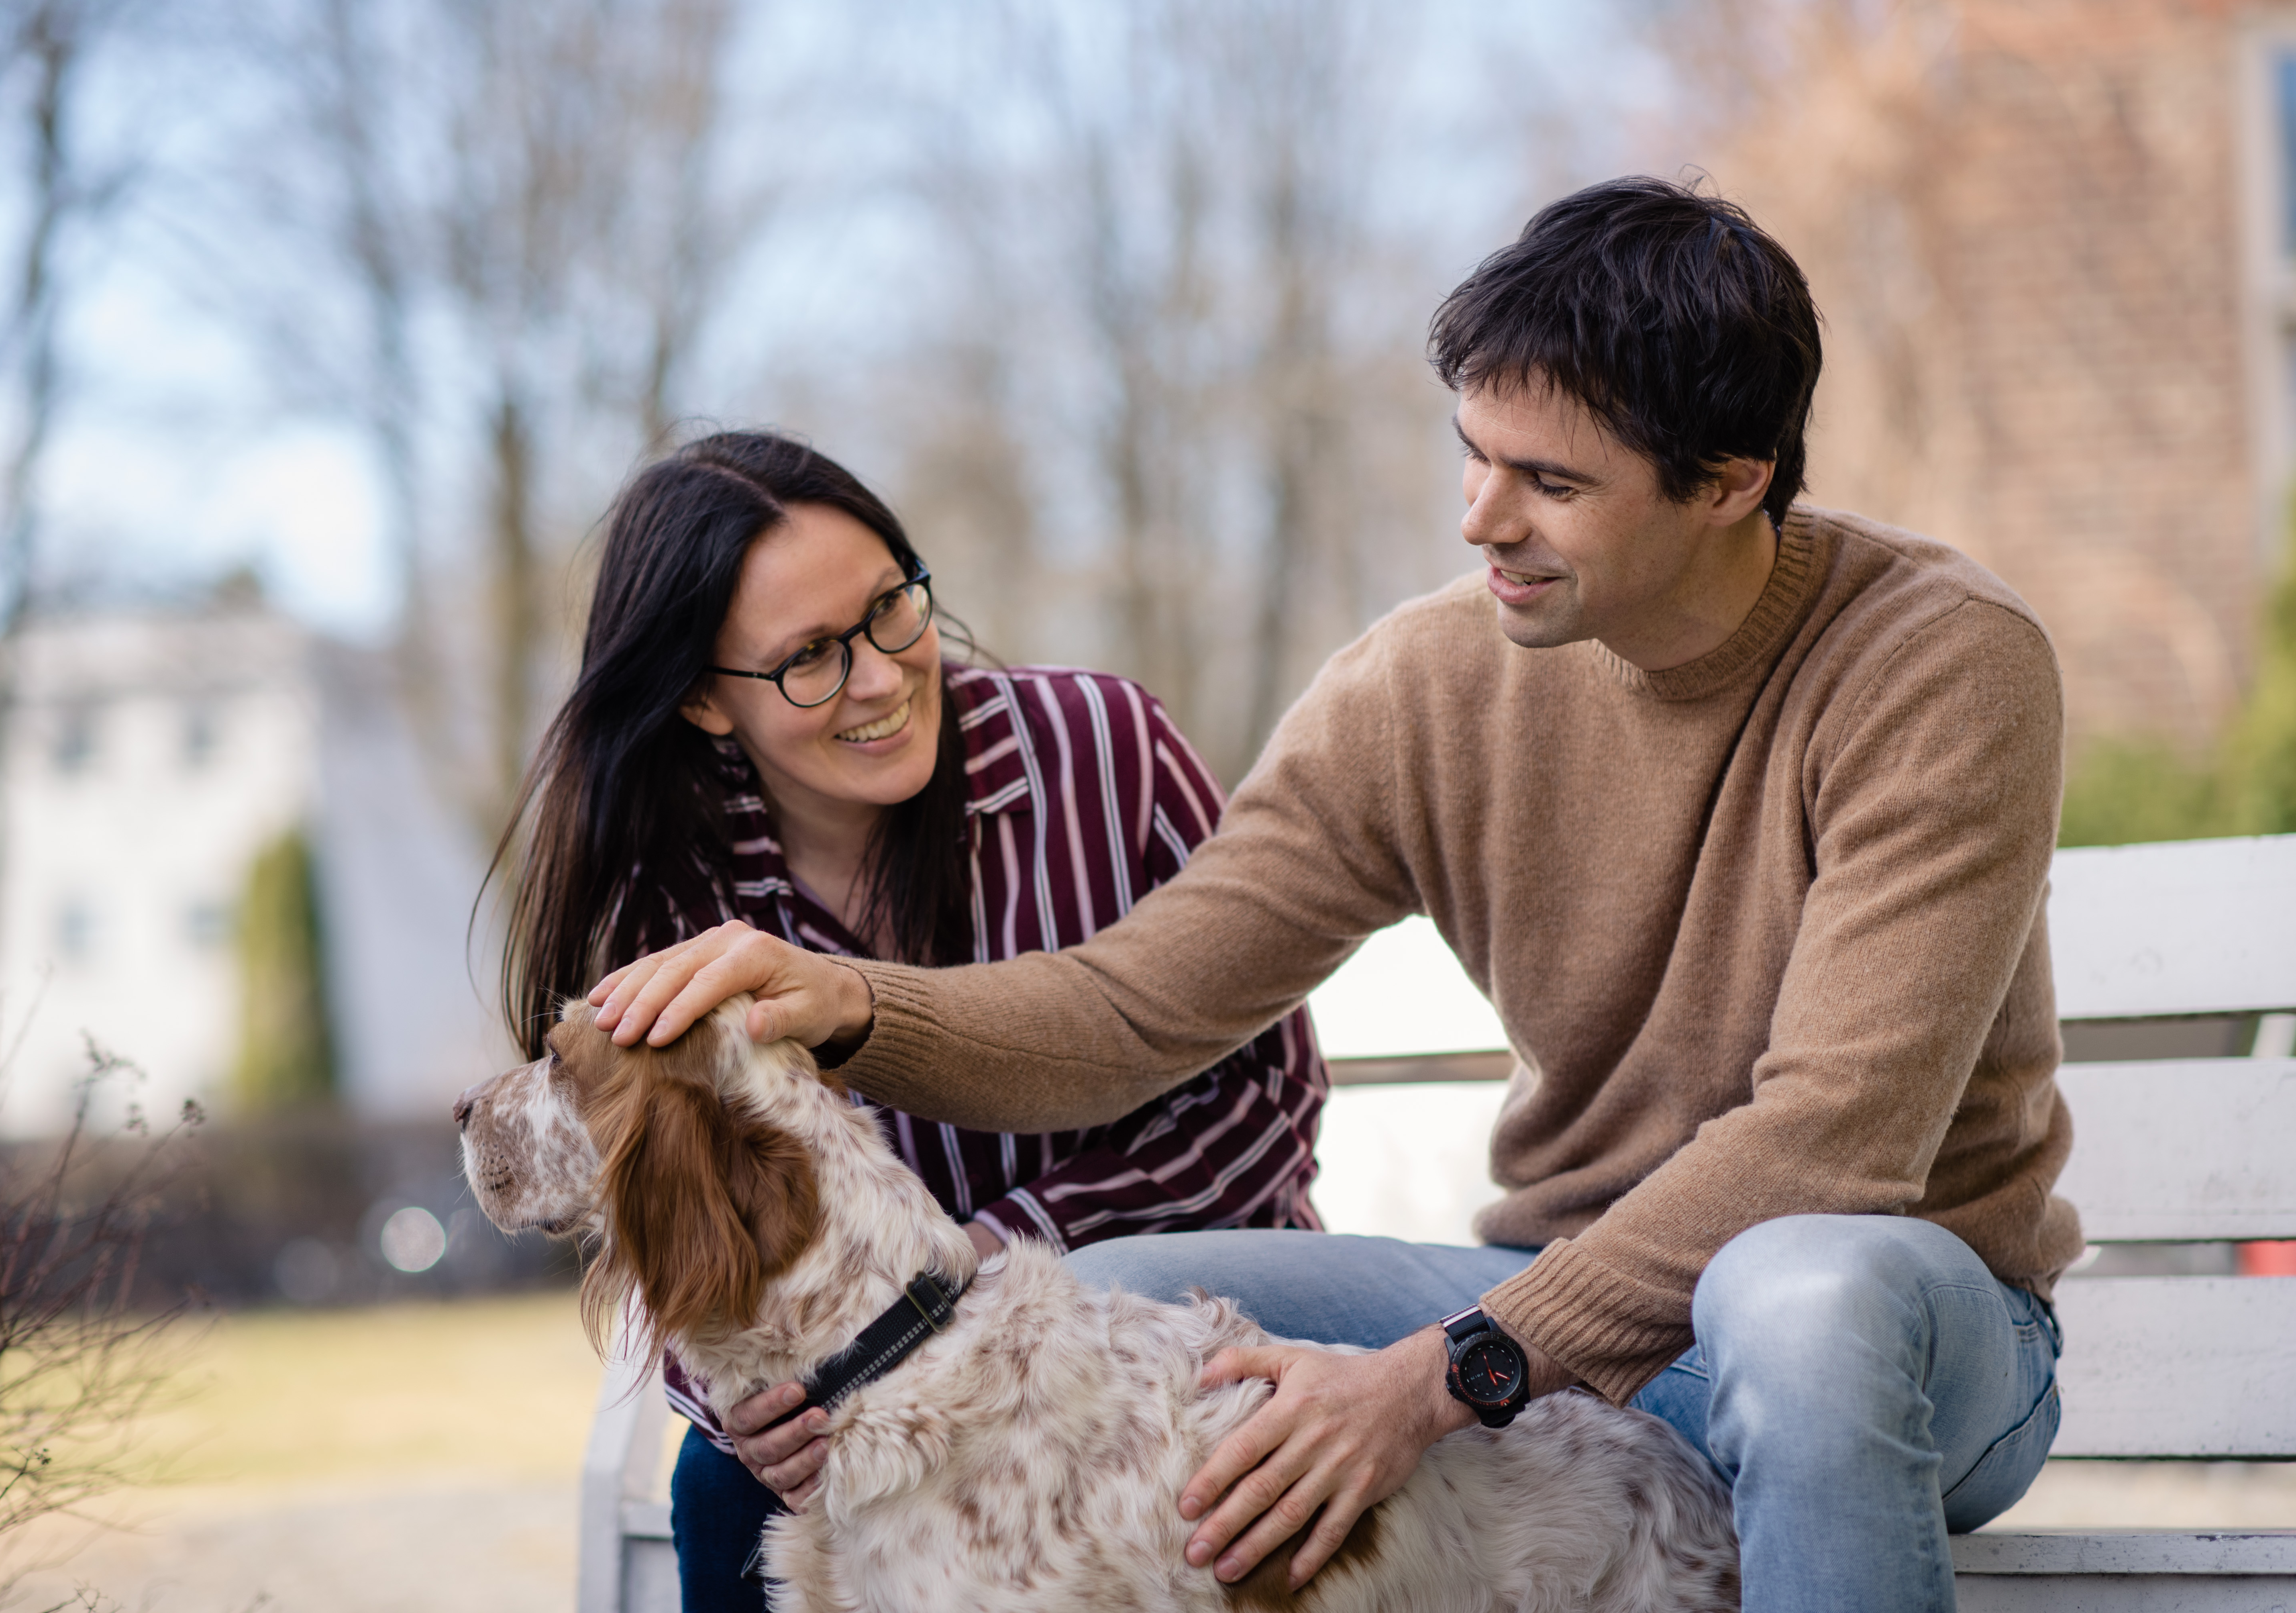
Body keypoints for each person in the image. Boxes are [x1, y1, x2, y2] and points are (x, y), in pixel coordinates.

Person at [591, 180, 2079, 1613]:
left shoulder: (1937, 661)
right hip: (1545, 1300)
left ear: (1731, 482)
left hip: (1894, 1339)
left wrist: (1438, 1380)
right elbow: (1142, 1004)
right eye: (1473, 453)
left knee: (1797, 1301)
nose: (1481, 518)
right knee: (1115, 1293)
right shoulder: (1423, 683)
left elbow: (1832, 1141)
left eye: (1551, 483)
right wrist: (859, 1005)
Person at [493, 430, 1329, 1611]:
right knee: (723, 1496)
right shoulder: (671, 899)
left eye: (893, 609)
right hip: (867, 1402)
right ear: (699, 699)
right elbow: (673, 1197)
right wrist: (750, 1410)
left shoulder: (1109, 750)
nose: (884, 676)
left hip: (1180, 1322)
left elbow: (1270, 1104)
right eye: (811, 659)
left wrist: (982, 1276)